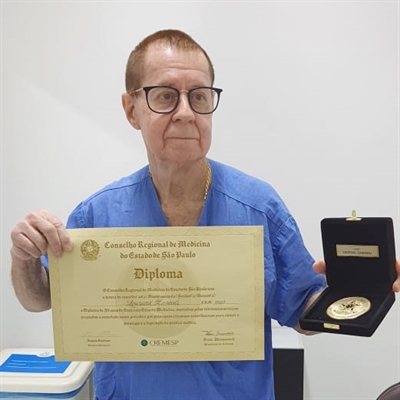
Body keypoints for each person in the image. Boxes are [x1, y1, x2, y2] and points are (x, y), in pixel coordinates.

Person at [10, 29, 400, 400]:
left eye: (198, 96)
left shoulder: (258, 207)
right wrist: (24, 257)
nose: (185, 113)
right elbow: (40, 298)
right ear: (131, 110)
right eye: (165, 96)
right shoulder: (98, 214)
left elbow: (303, 314)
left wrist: (358, 289)